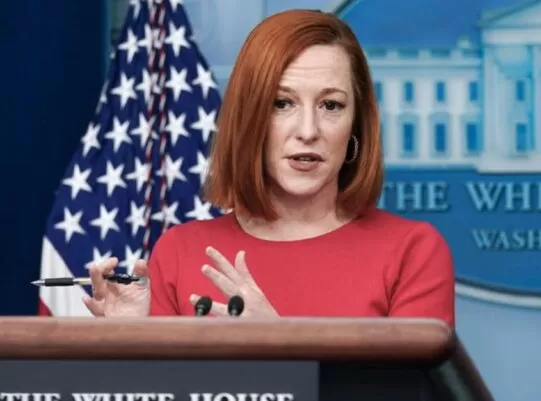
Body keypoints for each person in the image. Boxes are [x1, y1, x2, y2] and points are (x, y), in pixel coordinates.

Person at [82, 9, 455, 327]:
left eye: (331, 106)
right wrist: (130, 343)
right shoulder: (180, 251)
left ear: (356, 125)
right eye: (282, 103)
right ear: (249, 118)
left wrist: (279, 340)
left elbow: (406, 384)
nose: (308, 131)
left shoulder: (412, 252)